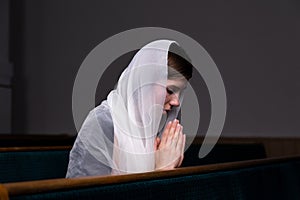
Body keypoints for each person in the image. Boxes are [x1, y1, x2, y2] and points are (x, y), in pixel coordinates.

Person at [66, 40, 193, 177]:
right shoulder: (102, 124)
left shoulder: (152, 130)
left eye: (181, 93)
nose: (176, 102)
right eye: (170, 90)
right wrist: (162, 171)